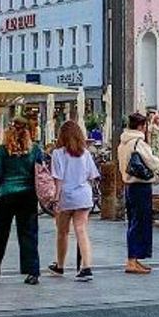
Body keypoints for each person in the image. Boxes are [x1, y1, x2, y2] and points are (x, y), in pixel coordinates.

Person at [0, 114, 44, 283]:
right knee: (28, 233)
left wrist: (0, 188)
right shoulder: (34, 149)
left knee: (1, 232)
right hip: (28, 195)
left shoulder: (3, 149)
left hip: (7, 194)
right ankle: (32, 272)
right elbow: (40, 171)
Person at [49, 118, 100, 281]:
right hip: (84, 195)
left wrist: (55, 199)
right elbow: (93, 176)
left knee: (62, 232)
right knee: (81, 230)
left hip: (66, 196)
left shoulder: (58, 153)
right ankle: (86, 267)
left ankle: (60, 266)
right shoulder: (85, 153)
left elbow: (58, 178)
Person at [118, 111, 159, 275]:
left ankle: (134, 259)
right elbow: (153, 162)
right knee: (140, 223)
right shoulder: (138, 142)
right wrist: (157, 161)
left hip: (128, 185)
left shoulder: (123, 142)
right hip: (140, 185)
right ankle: (132, 260)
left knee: (133, 222)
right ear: (142, 126)